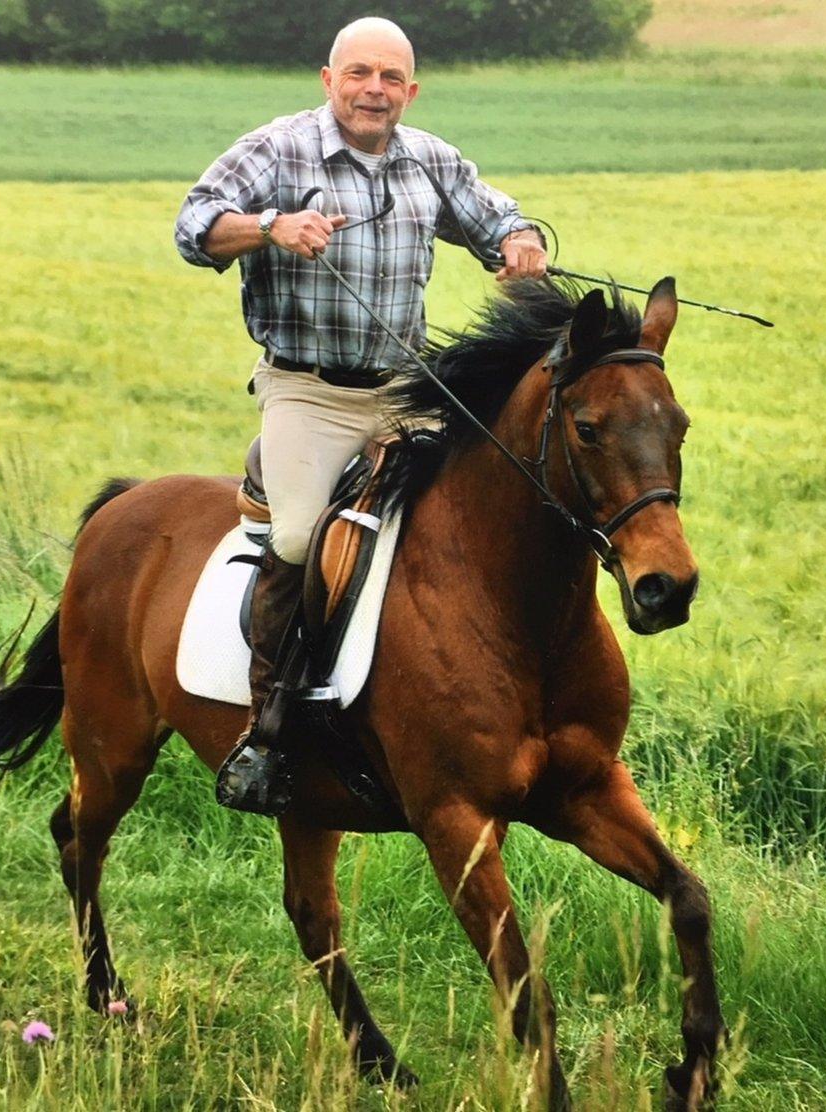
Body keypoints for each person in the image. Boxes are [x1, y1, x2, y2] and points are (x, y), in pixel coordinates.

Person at [174, 16, 547, 814]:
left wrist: (520, 241)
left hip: (406, 391)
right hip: (307, 390)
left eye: (389, 78)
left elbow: (499, 220)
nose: (373, 89)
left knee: (483, 512)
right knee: (305, 535)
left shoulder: (431, 160)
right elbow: (193, 225)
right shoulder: (279, 149)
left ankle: (461, 704)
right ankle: (269, 733)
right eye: (359, 74)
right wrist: (270, 226)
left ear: (410, 92)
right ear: (328, 79)